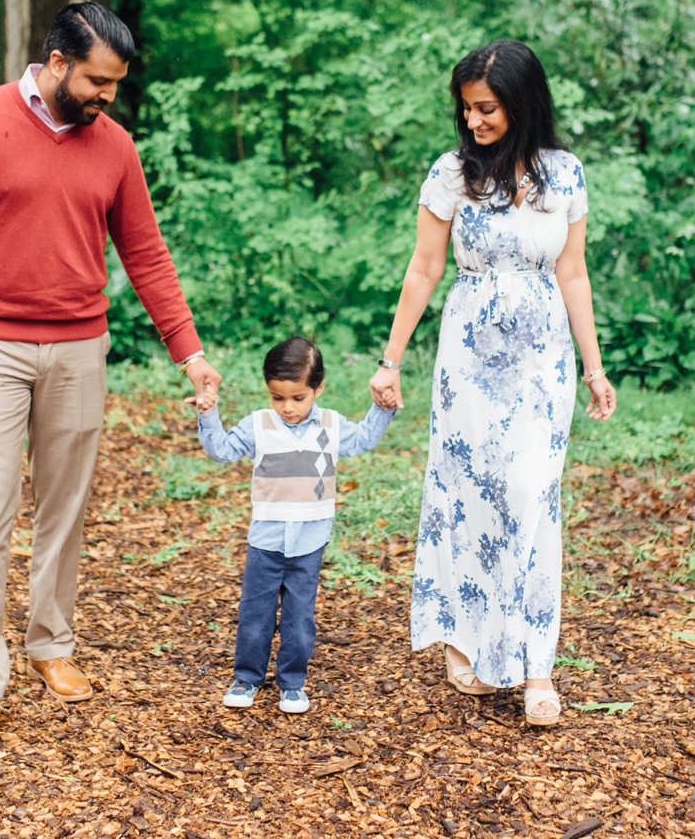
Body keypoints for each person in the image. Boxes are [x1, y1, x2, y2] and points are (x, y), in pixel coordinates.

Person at [0, 2, 221, 749]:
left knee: (64, 507)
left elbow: (147, 256)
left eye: (116, 86)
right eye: (99, 81)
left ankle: (51, 643)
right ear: (57, 61)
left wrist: (189, 350)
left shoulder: (116, 149)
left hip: (79, 348)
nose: (108, 97)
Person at [369, 39, 617, 727]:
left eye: (487, 108)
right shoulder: (452, 174)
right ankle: (470, 637)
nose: (473, 121)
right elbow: (423, 269)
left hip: (543, 359)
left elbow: (573, 273)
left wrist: (595, 368)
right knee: (468, 492)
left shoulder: (565, 175)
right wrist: (391, 359)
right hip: (468, 359)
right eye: (467, 109)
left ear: (523, 102)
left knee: (531, 493)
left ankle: (537, 664)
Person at [197, 336, 395, 714]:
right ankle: (247, 677)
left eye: (297, 398)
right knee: (254, 615)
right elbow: (220, 451)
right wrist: (208, 414)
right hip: (266, 541)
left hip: (310, 541)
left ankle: (292, 682)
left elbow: (364, 439)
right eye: (278, 397)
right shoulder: (258, 425)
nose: (287, 408)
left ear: (318, 388)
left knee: (299, 618)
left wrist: (382, 409)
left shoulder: (331, 425)